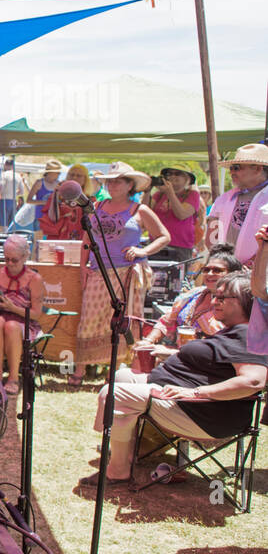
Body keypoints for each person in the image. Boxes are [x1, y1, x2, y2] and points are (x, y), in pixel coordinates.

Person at [86, 274, 265, 483]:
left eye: (222, 298)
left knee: (112, 394)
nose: (214, 301)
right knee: (122, 375)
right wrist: (168, 353)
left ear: (246, 302)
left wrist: (195, 392)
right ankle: (127, 452)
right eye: (215, 296)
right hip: (184, 401)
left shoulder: (248, 336)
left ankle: (118, 471)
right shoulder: (232, 332)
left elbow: (253, 381)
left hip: (201, 412)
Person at [71, 162, 171, 386]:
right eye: (110, 181)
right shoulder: (96, 205)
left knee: (120, 320)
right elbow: (87, 239)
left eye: (118, 181)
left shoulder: (139, 210)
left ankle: (112, 371)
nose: (112, 184)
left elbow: (164, 236)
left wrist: (142, 250)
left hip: (127, 271)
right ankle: (80, 368)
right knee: (89, 318)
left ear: (130, 185)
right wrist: (82, 267)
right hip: (98, 270)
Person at [138, 246, 241, 357]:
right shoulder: (193, 295)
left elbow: (223, 347)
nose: (209, 274)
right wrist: (148, 341)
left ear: (232, 274)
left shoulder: (235, 306)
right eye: (206, 270)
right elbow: (166, 322)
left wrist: (173, 353)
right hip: (177, 358)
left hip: (206, 364)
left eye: (217, 270)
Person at [0, 235, 44, 395]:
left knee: (11, 326)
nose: (9, 264)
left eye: (14, 260)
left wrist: (13, 307)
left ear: (25, 257)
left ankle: (13, 377)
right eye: (6, 259)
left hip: (24, 321)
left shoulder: (34, 279)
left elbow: (36, 314)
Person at [207, 144, 268, 265]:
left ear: (257, 169)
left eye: (236, 168)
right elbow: (212, 236)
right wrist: (220, 262)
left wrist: (252, 263)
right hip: (227, 271)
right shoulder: (224, 199)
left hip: (262, 272)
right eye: (231, 168)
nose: (232, 172)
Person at [150, 166, 202, 268]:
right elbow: (145, 214)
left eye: (177, 174)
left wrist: (170, 193)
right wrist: (147, 191)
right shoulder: (159, 195)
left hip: (180, 246)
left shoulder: (192, 195)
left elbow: (181, 214)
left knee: (176, 281)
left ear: (187, 179)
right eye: (169, 174)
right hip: (157, 244)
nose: (173, 176)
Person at [40, 163, 90, 241]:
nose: (74, 177)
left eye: (79, 175)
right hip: (59, 238)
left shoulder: (89, 199)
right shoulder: (58, 194)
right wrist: (56, 195)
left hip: (80, 240)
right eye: (71, 174)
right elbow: (51, 218)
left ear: (85, 180)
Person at [0, 158, 23, 228]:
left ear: (5, 165)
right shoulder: (18, 176)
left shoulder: (3, 175)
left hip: (4, 200)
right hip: (13, 201)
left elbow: (1, 187)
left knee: (3, 225)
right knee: (11, 225)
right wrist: (14, 193)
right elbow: (21, 191)